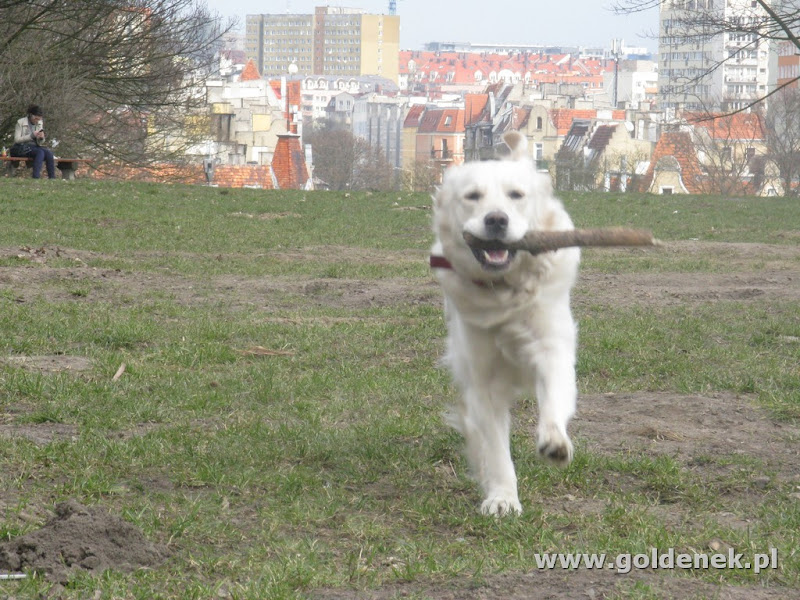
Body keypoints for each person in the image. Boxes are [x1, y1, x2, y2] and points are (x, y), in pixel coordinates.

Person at [10, 105, 56, 179]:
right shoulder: (20, 122)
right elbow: (17, 139)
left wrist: (41, 138)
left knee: (48, 153)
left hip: (34, 146)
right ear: (31, 115)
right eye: (36, 119)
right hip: (22, 147)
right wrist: (31, 136)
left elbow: (40, 142)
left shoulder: (39, 123)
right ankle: (36, 177)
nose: (37, 121)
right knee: (40, 153)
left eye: (39, 119)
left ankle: (52, 177)